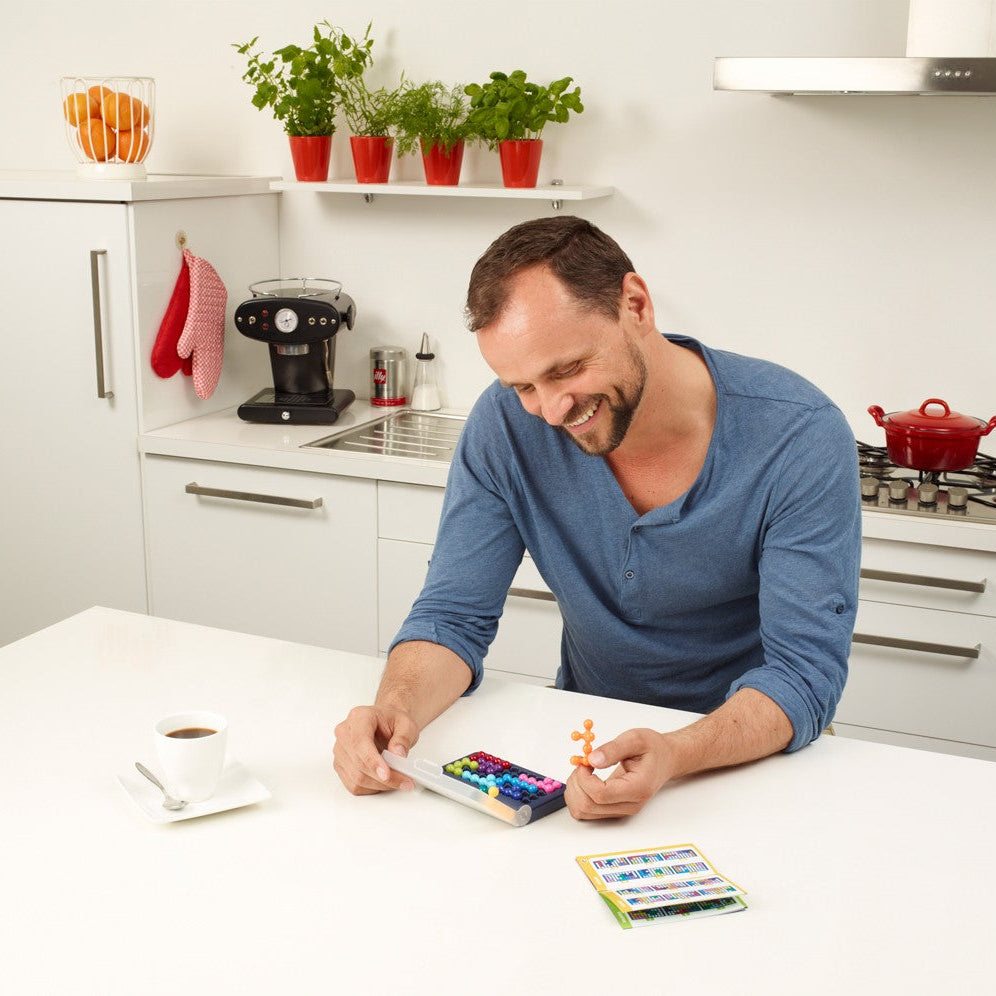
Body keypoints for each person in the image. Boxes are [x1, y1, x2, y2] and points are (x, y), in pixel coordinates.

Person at [333, 215, 861, 820]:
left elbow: (803, 675)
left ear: (634, 305)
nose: (551, 412)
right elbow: (453, 615)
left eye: (566, 370)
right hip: (586, 756)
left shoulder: (799, 435)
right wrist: (396, 711)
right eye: (523, 385)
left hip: (750, 761)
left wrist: (674, 754)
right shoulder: (506, 424)